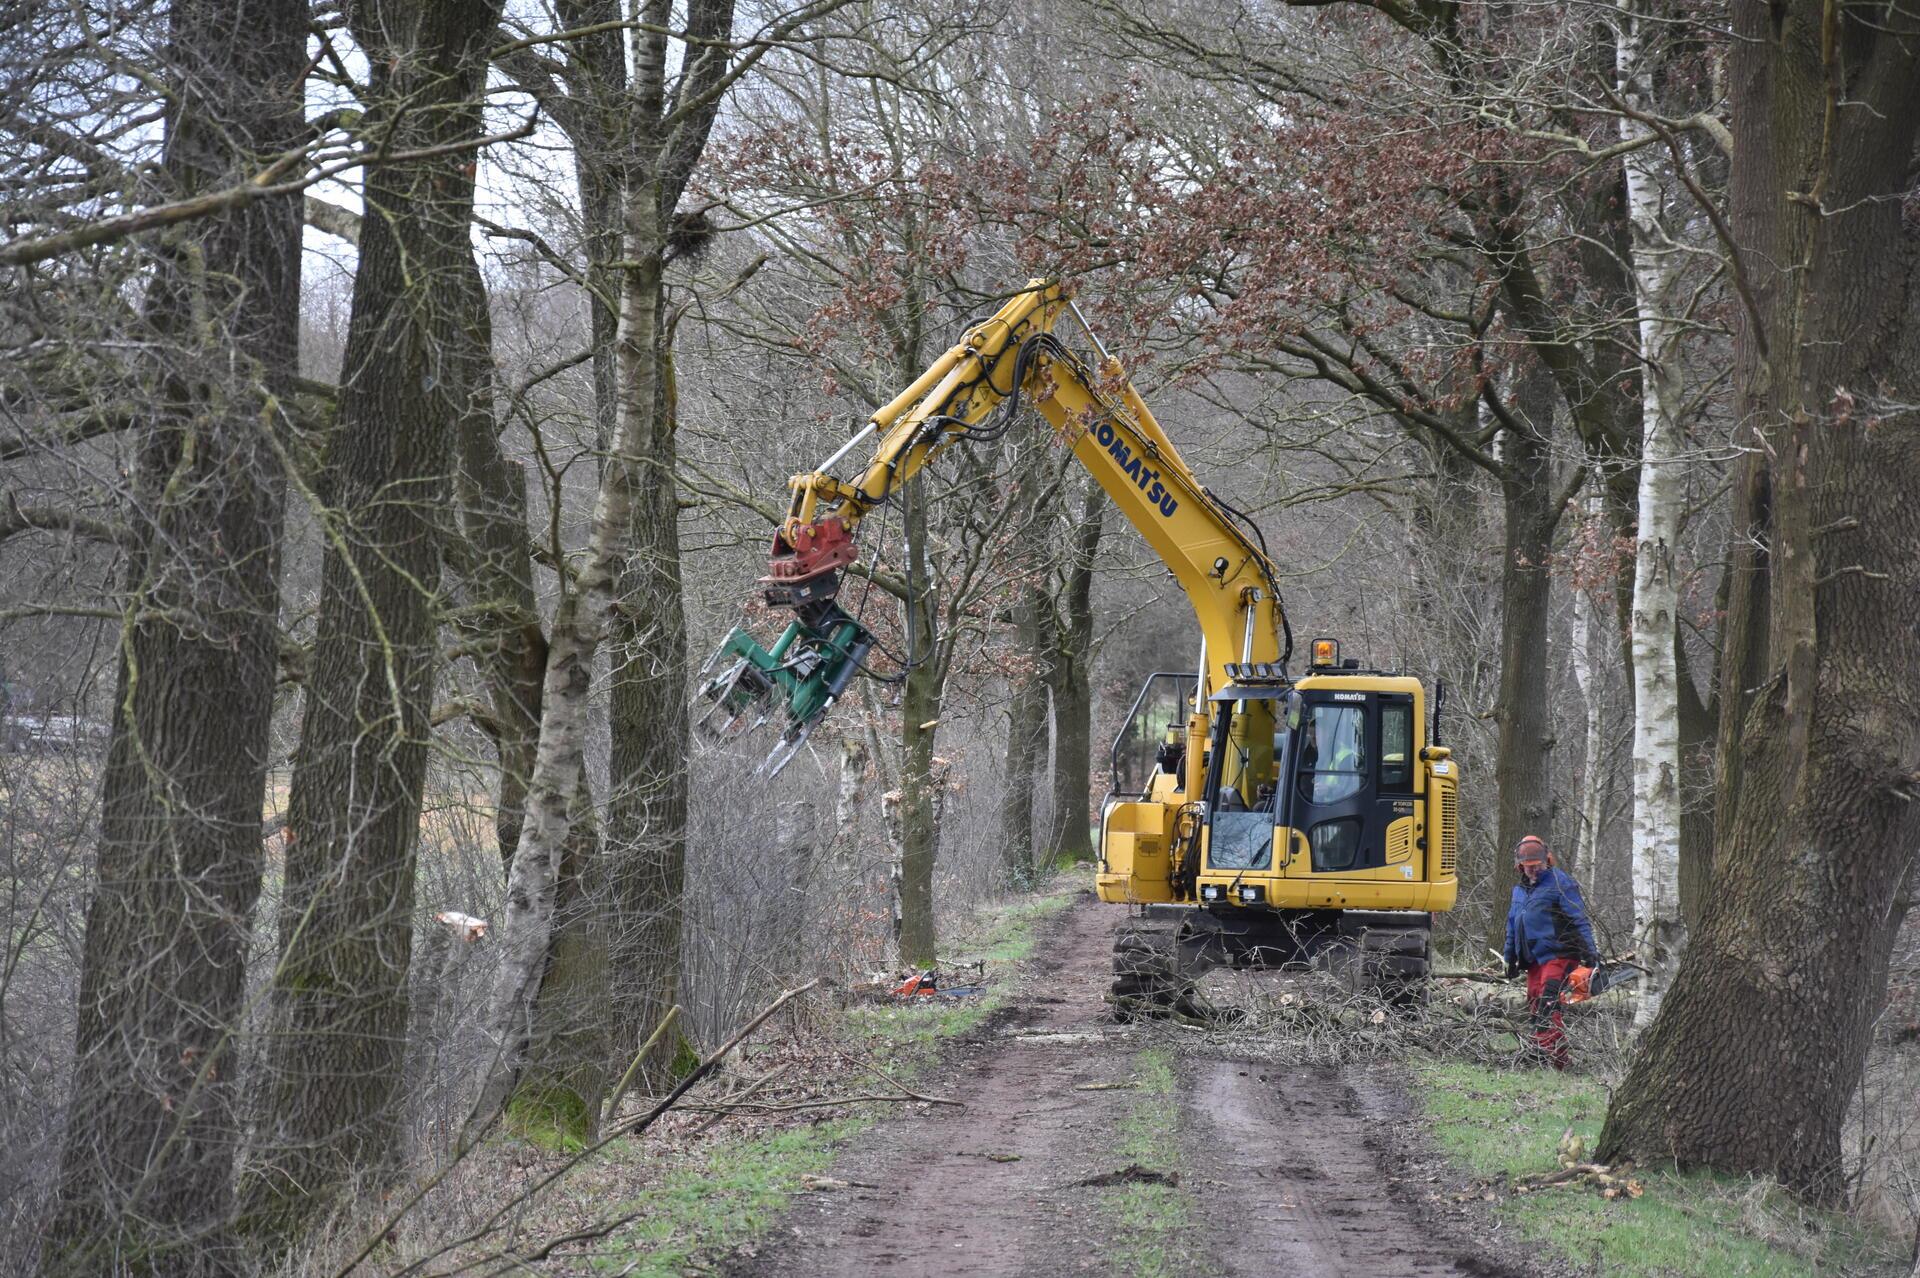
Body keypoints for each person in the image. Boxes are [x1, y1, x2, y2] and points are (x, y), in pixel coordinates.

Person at [1502, 835, 1600, 1070]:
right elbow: (1512, 925)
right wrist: (1510, 958)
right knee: (1534, 1000)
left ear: (1547, 861)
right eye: (1528, 867)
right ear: (1520, 866)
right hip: (1534, 957)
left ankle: (1555, 1060)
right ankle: (1542, 1051)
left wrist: (1591, 953)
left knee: (1548, 1002)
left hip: (1560, 952)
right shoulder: (1519, 891)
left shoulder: (1560, 882)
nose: (1533, 871)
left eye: (1537, 867)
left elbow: (1579, 918)